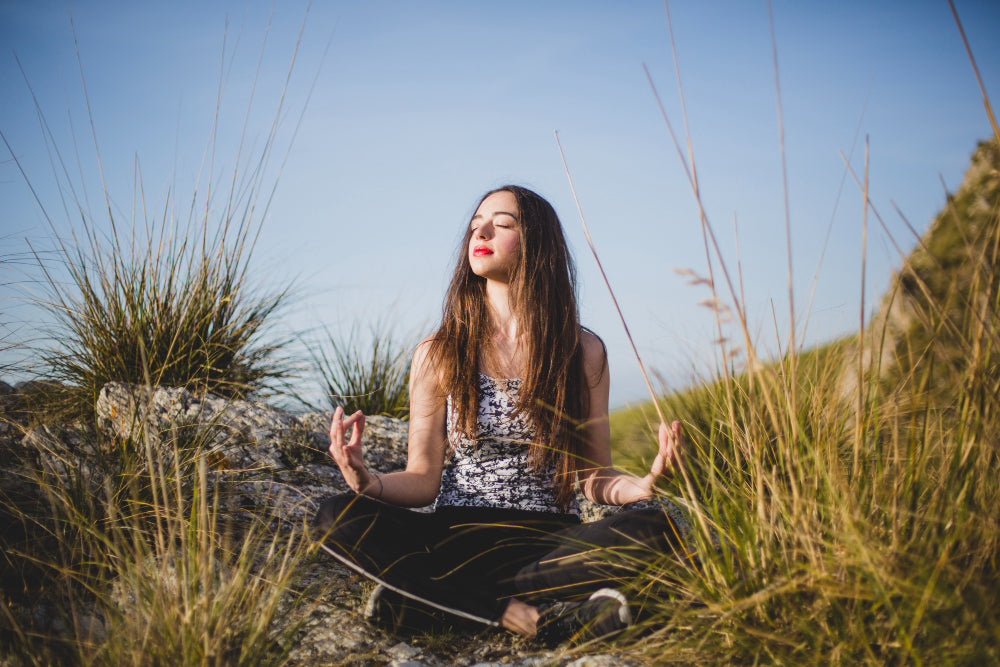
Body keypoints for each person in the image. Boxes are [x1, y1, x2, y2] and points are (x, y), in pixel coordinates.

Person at [314, 185, 690, 645]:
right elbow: (423, 478)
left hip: (548, 545)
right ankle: (530, 618)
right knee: (335, 515)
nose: (482, 230)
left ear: (537, 243)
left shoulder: (582, 351)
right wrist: (367, 481)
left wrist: (644, 485)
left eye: (503, 223)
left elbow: (593, 474)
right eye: (476, 224)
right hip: (456, 538)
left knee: (657, 524)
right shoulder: (438, 352)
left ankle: (435, 602)